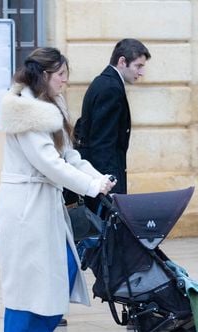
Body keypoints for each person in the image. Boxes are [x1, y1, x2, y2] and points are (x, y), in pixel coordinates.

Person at [0, 47, 116, 332]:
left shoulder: (50, 107)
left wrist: (98, 178)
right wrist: (89, 187)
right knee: (27, 279)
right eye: (60, 74)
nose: (65, 80)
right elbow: (48, 163)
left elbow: (69, 157)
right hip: (25, 206)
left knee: (58, 272)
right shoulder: (28, 113)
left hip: (45, 204)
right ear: (44, 75)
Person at [74, 38, 151, 211]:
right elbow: (103, 142)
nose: (141, 72)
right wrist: (109, 186)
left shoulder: (105, 82)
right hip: (103, 177)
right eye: (138, 66)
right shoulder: (110, 88)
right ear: (122, 61)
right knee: (106, 233)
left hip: (97, 174)